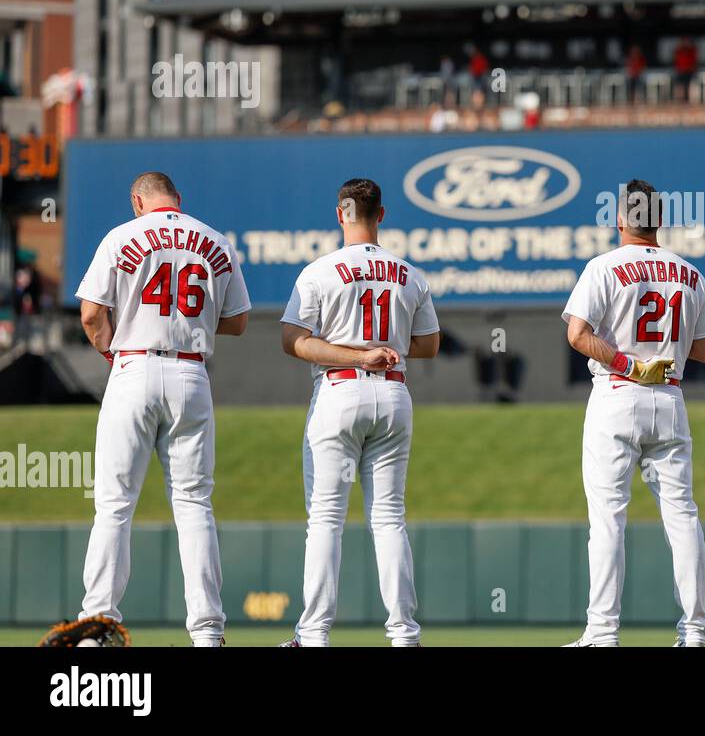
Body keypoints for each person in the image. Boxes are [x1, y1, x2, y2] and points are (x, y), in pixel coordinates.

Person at [75, 171, 250, 647]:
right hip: (191, 373)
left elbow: (92, 314)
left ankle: (97, 629)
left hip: (133, 366)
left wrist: (113, 353)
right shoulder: (212, 238)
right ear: (178, 199)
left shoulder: (122, 235)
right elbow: (236, 322)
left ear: (138, 201)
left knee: (114, 505)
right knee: (194, 505)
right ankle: (208, 633)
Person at [279, 178, 440, 647]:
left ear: (340, 214)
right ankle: (404, 634)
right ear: (381, 215)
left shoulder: (320, 271)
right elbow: (429, 345)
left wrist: (356, 354)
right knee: (389, 518)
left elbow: (292, 340)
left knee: (326, 518)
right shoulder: (409, 273)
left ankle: (313, 635)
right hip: (393, 395)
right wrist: (383, 348)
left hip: (340, 391)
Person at [562, 178, 705, 647]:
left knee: (608, 517)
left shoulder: (603, 266)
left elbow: (577, 335)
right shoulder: (689, 272)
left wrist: (628, 360)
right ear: (660, 221)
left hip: (618, 392)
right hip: (669, 398)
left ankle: (603, 632)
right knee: (683, 515)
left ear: (620, 219)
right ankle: (694, 631)